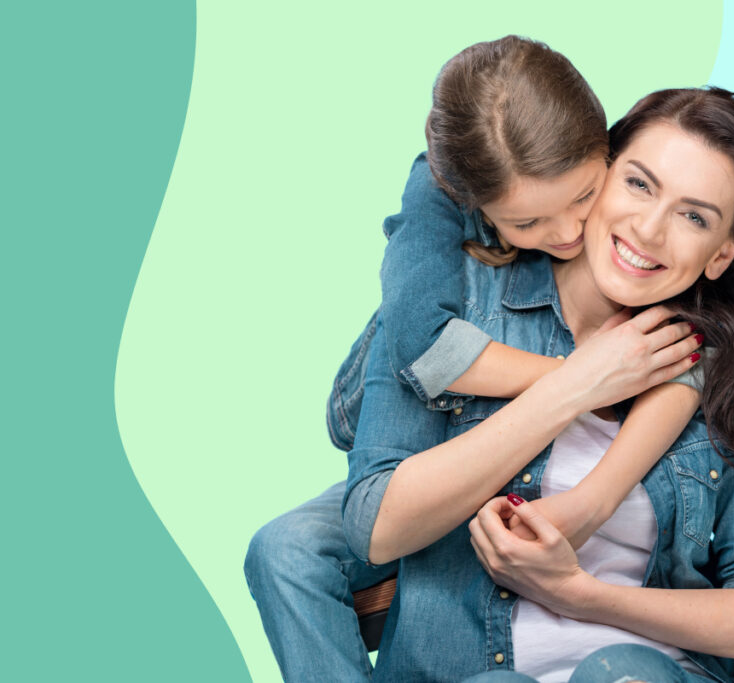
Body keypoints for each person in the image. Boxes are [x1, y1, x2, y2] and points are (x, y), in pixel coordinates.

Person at [341, 87, 734, 682]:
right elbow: (374, 524)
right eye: (640, 184)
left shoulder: (723, 374)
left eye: (694, 216)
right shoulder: (453, 306)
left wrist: (580, 593)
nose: (649, 229)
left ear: (721, 255)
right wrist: (579, 382)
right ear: (599, 175)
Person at [245, 37, 703, 682]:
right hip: (412, 429)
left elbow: (697, 358)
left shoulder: (650, 215)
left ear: (606, 147)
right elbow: (418, 356)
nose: (568, 233)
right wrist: (582, 382)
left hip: (520, 468)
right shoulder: (440, 213)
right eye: (527, 224)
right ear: (476, 207)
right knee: (286, 549)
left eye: (582, 197)